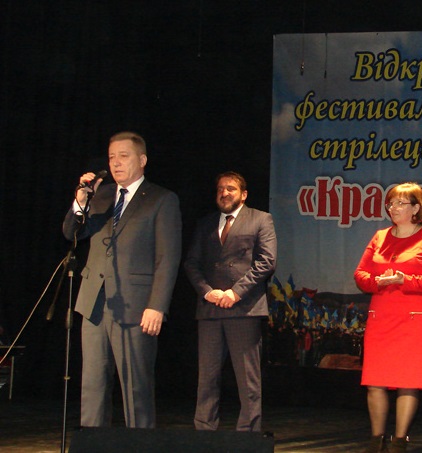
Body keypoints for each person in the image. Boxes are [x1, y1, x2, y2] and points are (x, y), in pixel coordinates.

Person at [62, 131, 182, 428]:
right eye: (112, 157)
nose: (115, 163)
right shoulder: (101, 196)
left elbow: (167, 257)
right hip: (94, 302)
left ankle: (139, 445)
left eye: (123, 156)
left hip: (137, 307)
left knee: (135, 388)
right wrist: (80, 201)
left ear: (142, 160)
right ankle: (93, 444)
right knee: (92, 386)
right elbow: (72, 233)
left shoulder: (161, 199)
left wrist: (157, 306)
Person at [354, 182, 422, 453]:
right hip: (383, 317)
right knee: (375, 380)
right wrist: (378, 281)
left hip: (417, 322)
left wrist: (404, 280)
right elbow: (360, 275)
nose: (393, 208)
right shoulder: (379, 236)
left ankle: (399, 441)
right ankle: (376, 441)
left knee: (408, 382)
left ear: (416, 208)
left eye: (400, 203)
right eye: (391, 203)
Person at [184, 171, 276, 432]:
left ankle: (248, 435)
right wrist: (206, 292)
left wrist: (235, 293)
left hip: (244, 309)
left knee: (248, 380)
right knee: (207, 378)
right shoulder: (205, 223)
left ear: (243, 194)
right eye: (220, 189)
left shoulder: (260, 219)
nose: (224, 193)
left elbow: (266, 262)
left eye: (231, 189)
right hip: (210, 308)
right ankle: (204, 430)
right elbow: (191, 263)